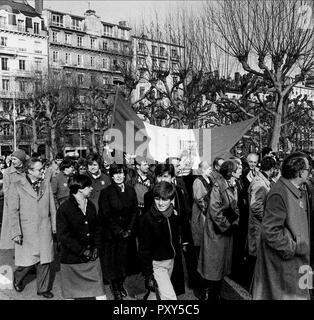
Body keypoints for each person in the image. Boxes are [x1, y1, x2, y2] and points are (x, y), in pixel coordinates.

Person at [252, 152, 311, 300]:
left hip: (298, 263)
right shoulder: (279, 193)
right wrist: (295, 247)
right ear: (300, 172)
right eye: (308, 169)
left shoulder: (295, 189)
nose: (310, 172)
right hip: (286, 266)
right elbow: (270, 232)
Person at [9, 157, 56, 298]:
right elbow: (12, 211)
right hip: (26, 230)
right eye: (39, 169)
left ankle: (43, 289)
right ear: (29, 171)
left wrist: (54, 226)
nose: (43, 171)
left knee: (45, 260)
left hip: (44, 227)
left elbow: (52, 208)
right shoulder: (17, 185)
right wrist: (16, 232)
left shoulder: (46, 184)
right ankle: (18, 278)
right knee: (27, 262)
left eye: (43, 168)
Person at [57, 175, 106, 300]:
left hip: (92, 260)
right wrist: (82, 251)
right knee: (70, 295)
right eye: (89, 186)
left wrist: (96, 247)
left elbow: (97, 229)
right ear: (79, 189)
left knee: (100, 294)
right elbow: (63, 236)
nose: (91, 189)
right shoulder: (64, 208)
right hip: (71, 261)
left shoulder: (90, 206)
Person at [198, 160, 240, 300]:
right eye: (238, 168)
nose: (241, 169)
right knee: (213, 266)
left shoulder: (232, 184)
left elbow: (234, 207)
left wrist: (235, 221)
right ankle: (209, 294)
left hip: (224, 232)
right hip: (216, 233)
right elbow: (215, 211)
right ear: (231, 172)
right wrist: (228, 225)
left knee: (219, 266)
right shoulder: (219, 186)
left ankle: (215, 293)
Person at [98, 164, 139, 300]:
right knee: (113, 263)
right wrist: (119, 230)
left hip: (127, 233)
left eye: (121, 173)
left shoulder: (130, 190)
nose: (119, 176)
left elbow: (134, 211)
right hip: (112, 234)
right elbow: (105, 214)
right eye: (116, 173)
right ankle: (115, 287)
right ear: (111, 175)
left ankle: (121, 284)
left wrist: (129, 229)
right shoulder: (106, 192)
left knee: (124, 262)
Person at [139, 181, 179, 300]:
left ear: (171, 199)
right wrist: (148, 275)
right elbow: (143, 249)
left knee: (155, 294)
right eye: (157, 199)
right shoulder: (147, 219)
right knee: (169, 298)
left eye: (164, 199)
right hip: (157, 265)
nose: (160, 203)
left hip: (170, 261)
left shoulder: (173, 214)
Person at [0, 149, 27, 250]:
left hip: (24, 203)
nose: (13, 161)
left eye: (15, 159)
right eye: (12, 159)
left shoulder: (26, 171)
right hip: (12, 203)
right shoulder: (7, 172)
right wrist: (10, 201)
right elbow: (6, 189)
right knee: (12, 227)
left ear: (21, 160)